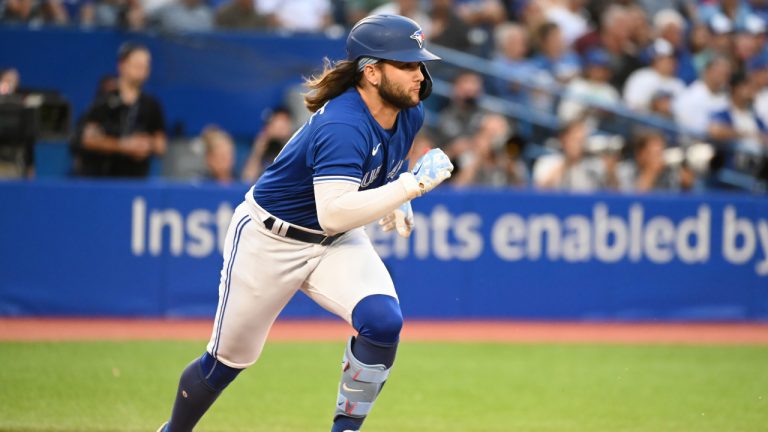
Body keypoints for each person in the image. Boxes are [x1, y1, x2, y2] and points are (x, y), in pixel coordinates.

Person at [156, 14, 453, 432]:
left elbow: (369, 181)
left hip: (335, 241)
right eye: (405, 64)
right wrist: (409, 187)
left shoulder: (409, 112)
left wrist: (393, 194)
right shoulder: (343, 122)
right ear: (370, 72)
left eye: (419, 64)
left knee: (383, 322)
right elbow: (333, 209)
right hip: (269, 239)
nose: (419, 75)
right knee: (225, 362)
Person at [77, 42, 166, 177]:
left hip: (136, 181)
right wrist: (123, 146)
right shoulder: (104, 101)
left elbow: (161, 145)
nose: (143, 69)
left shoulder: (151, 104)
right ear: (122, 66)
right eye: (137, 64)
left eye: (146, 65)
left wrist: (147, 144)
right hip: (103, 178)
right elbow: (88, 139)